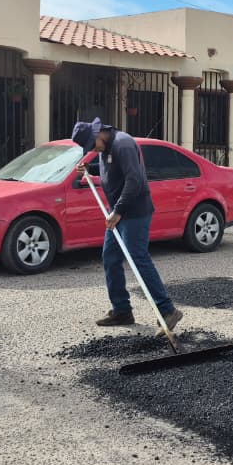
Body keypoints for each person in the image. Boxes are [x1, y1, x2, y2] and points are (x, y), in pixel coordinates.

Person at [71, 118, 182, 334]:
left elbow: (134, 180)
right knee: (110, 258)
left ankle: (167, 310)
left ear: (98, 134)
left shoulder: (123, 144)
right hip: (117, 212)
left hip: (133, 212)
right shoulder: (106, 149)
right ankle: (122, 310)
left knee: (138, 259)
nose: (93, 150)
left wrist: (118, 211)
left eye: (92, 145)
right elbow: (112, 171)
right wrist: (89, 170)